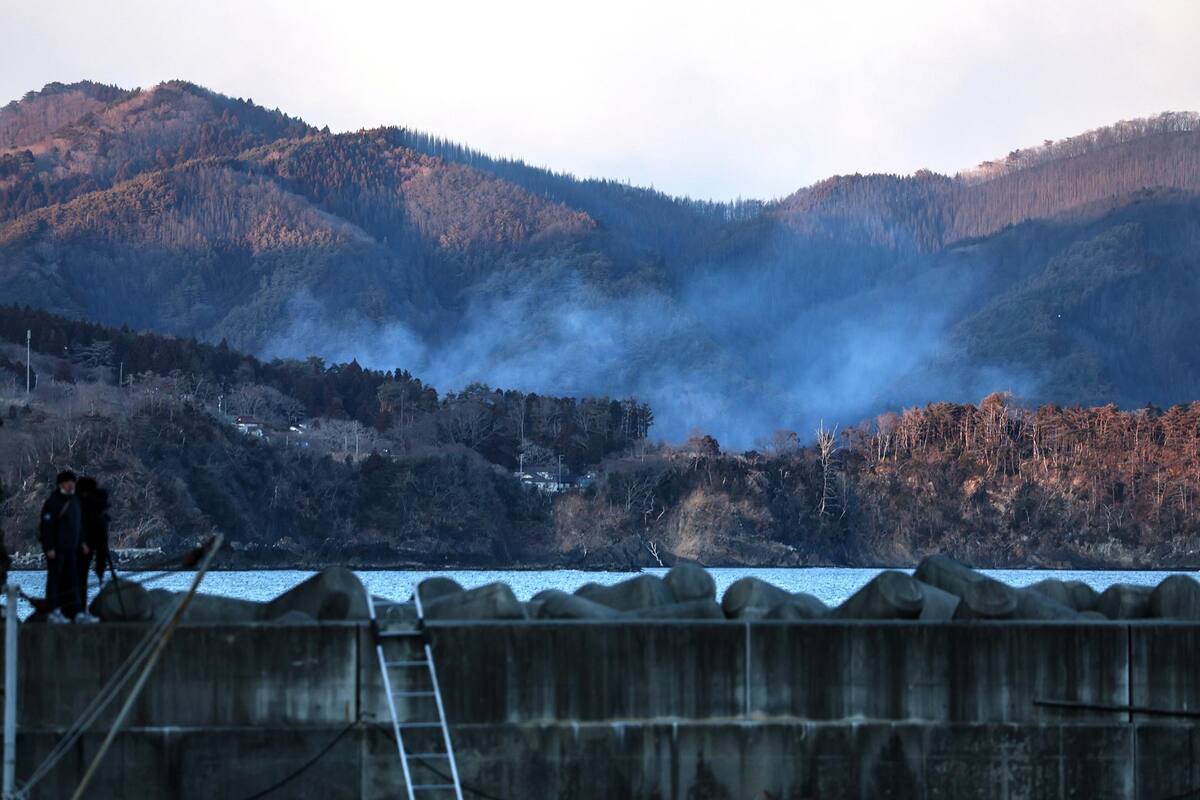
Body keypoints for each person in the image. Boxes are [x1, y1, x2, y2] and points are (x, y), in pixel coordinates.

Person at [39, 470, 95, 623]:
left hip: (72, 549)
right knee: (55, 581)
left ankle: (77, 612)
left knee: (73, 581)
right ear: (61, 484)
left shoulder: (75, 501)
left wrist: (82, 542)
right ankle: (53, 611)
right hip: (56, 550)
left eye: (72, 482)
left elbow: (78, 525)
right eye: (68, 482)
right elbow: (46, 527)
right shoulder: (53, 502)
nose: (71, 484)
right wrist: (49, 547)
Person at [75, 476, 111, 616]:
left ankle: (78, 611)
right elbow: (102, 545)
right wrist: (100, 567)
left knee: (77, 580)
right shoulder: (98, 505)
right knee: (81, 580)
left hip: (80, 547)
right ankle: (82, 611)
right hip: (93, 543)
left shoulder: (78, 505)